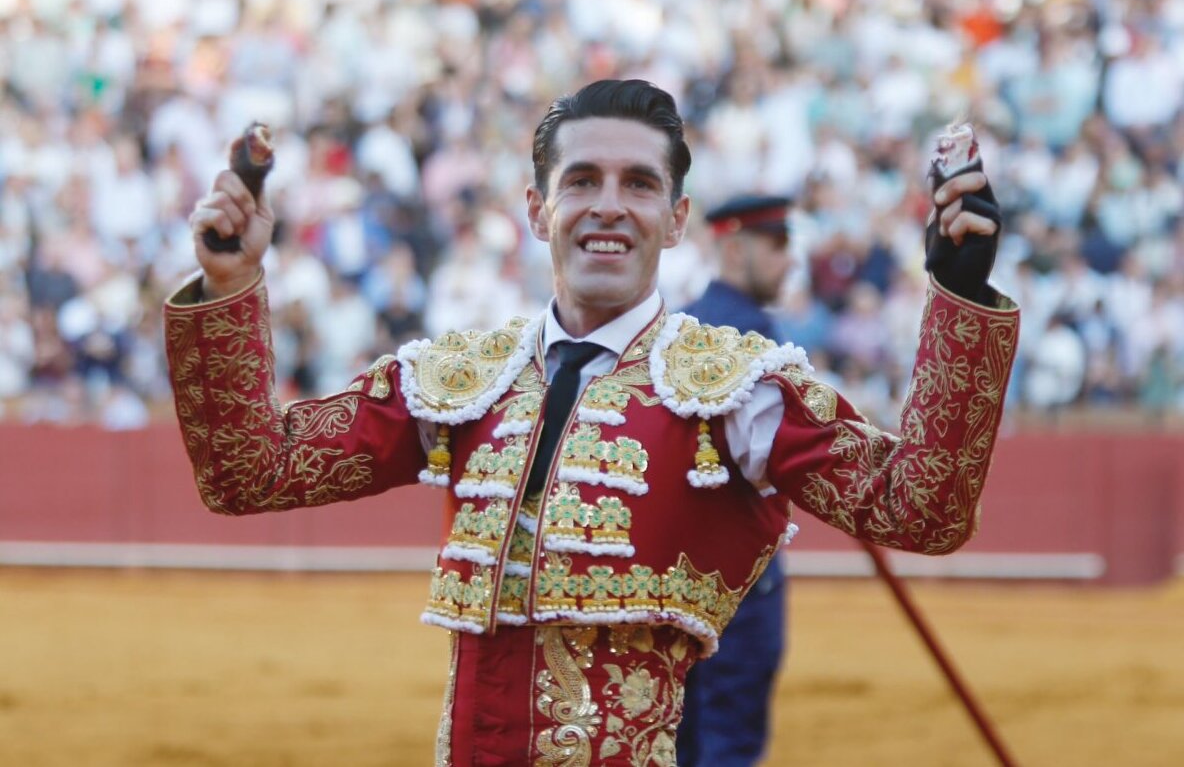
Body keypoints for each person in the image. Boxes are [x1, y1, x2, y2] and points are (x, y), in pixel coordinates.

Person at [167, 79, 1019, 766]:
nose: (608, 206)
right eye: (581, 181)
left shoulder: (736, 390)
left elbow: (923, 511)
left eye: (639, 184)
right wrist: (229, 286)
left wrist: (961, 297)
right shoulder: (462, 380)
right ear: (537, 210)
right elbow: (251, 472)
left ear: (676, 220)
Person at [676, 194, 795, 766]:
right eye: (776, 246)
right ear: (733, 249)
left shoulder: (676, 327)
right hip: (743, 581)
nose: (788, 261)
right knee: (729, 740)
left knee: (674, 738)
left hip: (673, 577)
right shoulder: (757, 335)